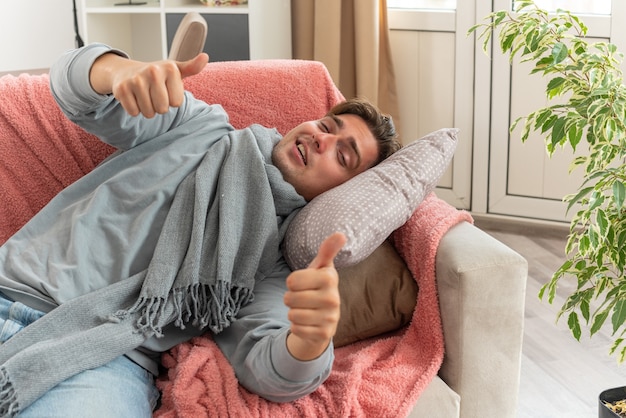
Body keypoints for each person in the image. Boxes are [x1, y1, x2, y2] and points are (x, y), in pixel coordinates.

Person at [0, 44, 400, 417]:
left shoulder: (272, 263)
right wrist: (115, 71)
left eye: (342, 154)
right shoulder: (197, 124)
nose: (322, 138)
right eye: (327, 125)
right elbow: (76, 92)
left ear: (341, 193)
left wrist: (311, 343)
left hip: (104, 358)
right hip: (10, 290)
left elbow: (270, 369)